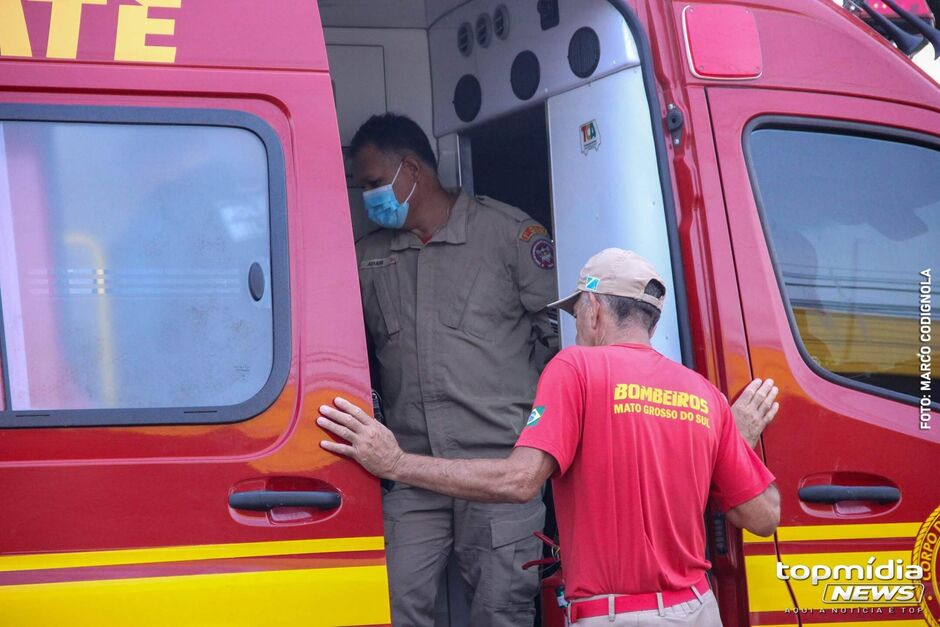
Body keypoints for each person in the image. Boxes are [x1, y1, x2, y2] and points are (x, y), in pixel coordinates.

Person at [320, 248, 780, 626]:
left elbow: (520, 482)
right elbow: (763, 517)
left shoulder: (576, 368)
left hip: (614, 617)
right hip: (698, 611)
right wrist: (731, 437)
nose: (575, 328)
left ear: (594, 309)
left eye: (576, 314)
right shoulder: (704, 395)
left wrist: (396, 463)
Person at [350, 112, 559, 627]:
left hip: (499, 472)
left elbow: (563, 345)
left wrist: (535, 431)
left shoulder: (508, 236)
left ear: (413, 170)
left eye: (375, 183)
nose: (368, 198)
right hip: (408, 468)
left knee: (500, 613)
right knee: (390, 608)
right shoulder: (368, 256)